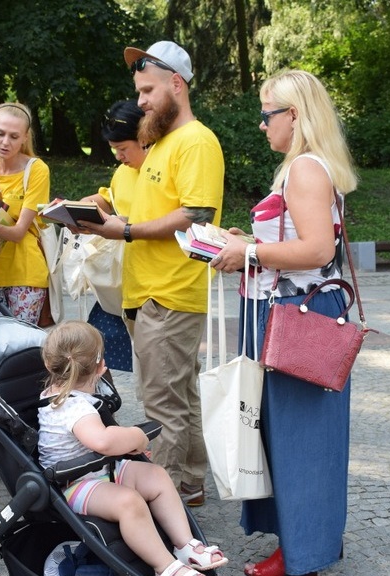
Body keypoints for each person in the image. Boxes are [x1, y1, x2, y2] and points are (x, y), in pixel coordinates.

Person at [209, 70, 358, 576]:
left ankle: (303, 551)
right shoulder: (308, 167)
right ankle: (306, 542)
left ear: (294, 115)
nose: (261, 124)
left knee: (299, 440)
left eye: (267, 113)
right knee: (296, 436)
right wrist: (244, 244)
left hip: (296, 317)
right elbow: (303, 245)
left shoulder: (305, 170)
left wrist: (247, 250)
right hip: (295, 311)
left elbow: (316, 249)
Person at [79, 41, 224, 507]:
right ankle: (191, 486)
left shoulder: (195, 140)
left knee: (162, 406)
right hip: (149, 293)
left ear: (175, 84)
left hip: (171, 292)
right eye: (138, 92)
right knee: (181, 398)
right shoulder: (161, 144)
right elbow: (137, 206)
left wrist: (127, 231)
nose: (139, 101)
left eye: (147, 91)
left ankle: (161, 508)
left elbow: (197, 214)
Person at [37, 321, 228, 576]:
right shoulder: (72, 408)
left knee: (157, 476)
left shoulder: (63, 394)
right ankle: (165, 566)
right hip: (73, 484)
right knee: (129, 502)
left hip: (101, 469)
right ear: (101, 366)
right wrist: (137, 437)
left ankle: (185, 544)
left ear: (50, 365)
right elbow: (102, 441)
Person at [75, 99, 147, 376]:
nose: (118, 156)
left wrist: (123, 224)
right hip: (116, 282)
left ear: (144, 139)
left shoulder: (159, 171)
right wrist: (82, 205)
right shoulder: (124, 170)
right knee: (95, 348)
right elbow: (109, 197)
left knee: (148, 364)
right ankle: (108, 406)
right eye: (114, 149)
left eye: (122, 149)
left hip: (144, 282)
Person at [0, 102, 51, 324]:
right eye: (1, 133)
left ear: (25, 138)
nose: (5, 142)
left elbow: (18, 232)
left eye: (14, 137)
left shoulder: (36, 169)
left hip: (25, 272)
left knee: (21, 347)